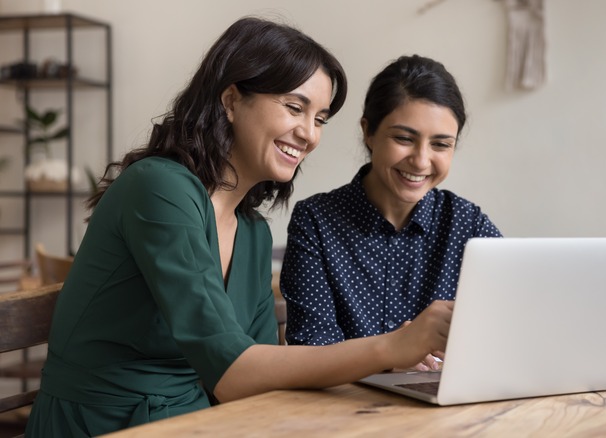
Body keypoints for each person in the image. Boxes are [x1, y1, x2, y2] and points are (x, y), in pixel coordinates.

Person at [25, 18, 452, 437]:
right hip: (103, 425)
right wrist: (390, 347)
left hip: (199, 420)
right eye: (294, 107)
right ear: (231, 100)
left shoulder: (252, 231)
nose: (308, 134)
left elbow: (257, 373)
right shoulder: (159, 187)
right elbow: (232, 372)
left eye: (320, 118)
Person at [280, 55, 502, 370]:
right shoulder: (316, 221)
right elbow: (312, 348)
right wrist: (392, 356)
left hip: (446, 408)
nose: (421, 161)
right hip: (345, 409)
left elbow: (512, 324)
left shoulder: (467, 224)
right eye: (404, 139)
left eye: (440, 145)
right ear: (368, 132)